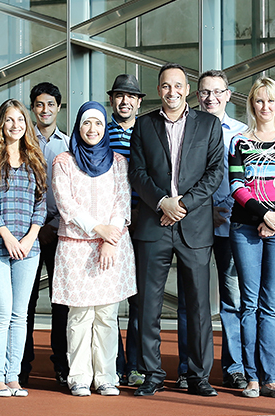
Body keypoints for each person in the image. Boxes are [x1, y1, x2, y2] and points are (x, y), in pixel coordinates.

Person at [128, 63, 222, 397]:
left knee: (198, 306)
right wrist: (161, 203)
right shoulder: (143, 125)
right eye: (166, 86)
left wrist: (181, 205)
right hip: (153, 225)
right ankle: (152, 374)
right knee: (147, 306)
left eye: (178, 85)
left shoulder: (208, 124)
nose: (172, 92)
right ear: (159, 90)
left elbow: (215, 172)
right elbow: (137, 173)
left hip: (193, 226)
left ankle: (197, 376)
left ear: (187, 90)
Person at [51, 101, 137, 397]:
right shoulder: (64, 161)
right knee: (79, 316)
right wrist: (99, 230)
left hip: (111, 248)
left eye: (98, 123)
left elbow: (122, 202)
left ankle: (106, 376)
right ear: (78, 126)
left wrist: (110, 240)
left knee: (107, 316)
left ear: (105, 128)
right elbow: (66, 204)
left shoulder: (118, 162)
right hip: (76, 248)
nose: (92, 129)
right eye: (87, 123)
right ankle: (78, 377)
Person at [228, 77, 275, 399]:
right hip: (245, 227)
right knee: (249, 304)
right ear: (251, 104)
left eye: (271, 101)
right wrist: (263, 216)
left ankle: (271, 378)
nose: (265, 106)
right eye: (259, 100)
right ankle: (252, 378)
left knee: (272, 306)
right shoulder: (238, 141)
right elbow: (236, 185)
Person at [0, 99, 46, 397]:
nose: (15, 125)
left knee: (20, 315)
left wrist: (30, 237)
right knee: (1, 313)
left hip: (28, 249)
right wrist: (6, 235)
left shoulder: (35, 157)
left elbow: (42, 202)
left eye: (20, 119)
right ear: (0, 124)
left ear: (26, 124)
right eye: (9, 119)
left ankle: (14, 377)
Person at [198, 69, 248, 389]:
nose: (211, 98)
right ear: (197, 96)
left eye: (217, 91)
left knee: (233, 299)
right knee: (196, 299)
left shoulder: (242, 132)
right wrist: (207, 210)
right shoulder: (189, 129)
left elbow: (248, 178)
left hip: (234, 226)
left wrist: (226, 208)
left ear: (228, 95)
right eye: (205, 92)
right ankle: (195, 369)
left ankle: (235, 366)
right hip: (197, 227)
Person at [21, 82, 71, 386]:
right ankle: (22, 365)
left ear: (58, 108)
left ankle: (61, 364)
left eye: (50, 104)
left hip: (59, 231)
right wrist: (34, 228)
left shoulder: (69, 144)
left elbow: (75, 190)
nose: (45, 110)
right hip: (26, 233)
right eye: (39, 104)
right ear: (32, 108)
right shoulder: (22, 141)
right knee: (25, 302)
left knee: (60, 301)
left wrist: (54, 225)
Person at [105, 74, 146, 387]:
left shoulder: (147, 131)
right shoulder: (100, 131)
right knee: (108, 298)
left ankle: (135, 365)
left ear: (139, 102)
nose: (124, 101)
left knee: (139, 298)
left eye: (131, 96)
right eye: (119, 95)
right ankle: (113, 364)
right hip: (109, 225)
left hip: (143, 221)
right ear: (111, 100)